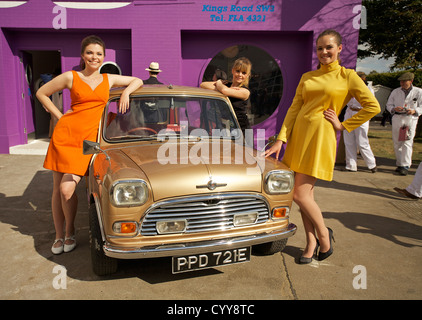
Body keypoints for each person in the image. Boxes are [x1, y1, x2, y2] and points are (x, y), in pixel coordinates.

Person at [264, 29, 380, 264]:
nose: (324, 52)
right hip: (299, 138)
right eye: (320, 48)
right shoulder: (307, 77)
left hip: (321, 138)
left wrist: (344, 124)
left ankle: (324, 235)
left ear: (339, 49)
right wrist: (281, 138)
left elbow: (373, 106)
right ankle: (311, 242)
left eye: (329, 47)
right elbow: (294, 109)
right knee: (305, 194)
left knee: (299, 193)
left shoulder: (348, 77)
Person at [36, 35, 143, 255]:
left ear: (103, 57)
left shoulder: (108, 79)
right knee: (58, 190)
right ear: (83, 55)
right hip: (65, 137)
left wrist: (126, 92)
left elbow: (137, 80)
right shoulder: (71, 77)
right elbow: (41, 92)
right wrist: (59, 116)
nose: (94, 57)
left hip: (89, 141)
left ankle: (72, 229)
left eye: (99, 54)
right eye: (90, 53)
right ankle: (61, 235)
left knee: (67, 189)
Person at [200, 57, 252, 133]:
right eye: (237, 71)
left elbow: (224, 90)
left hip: (242, 129)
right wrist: (220, 86)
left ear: (247, 75)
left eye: (244, 73)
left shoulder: (245, 91)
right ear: (233, 70)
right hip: (226, 127)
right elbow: (203, 85)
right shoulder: (226, 85)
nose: (240, 75)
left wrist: (219, 83)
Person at [386, 72, 422, 176]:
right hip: (397, 117)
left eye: (404, 81)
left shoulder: (418, 92)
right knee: (397, 141)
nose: (401, 83)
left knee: (407, 142)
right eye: (401, 81)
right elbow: (389, 104)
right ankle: (399, 163)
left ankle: (405, 165)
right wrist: (393, 108)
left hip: (410, 119)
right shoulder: (395, 91)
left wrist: (414, 111)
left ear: (410, 81)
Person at [343, 71, 377, 173]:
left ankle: (371, 164)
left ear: (363, 79)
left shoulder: (368, 90)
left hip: (361, 114)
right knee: (348, 140)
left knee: (362, 141)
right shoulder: (349, 88)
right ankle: (351, 165)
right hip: (349, 112)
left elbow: (370, 105)